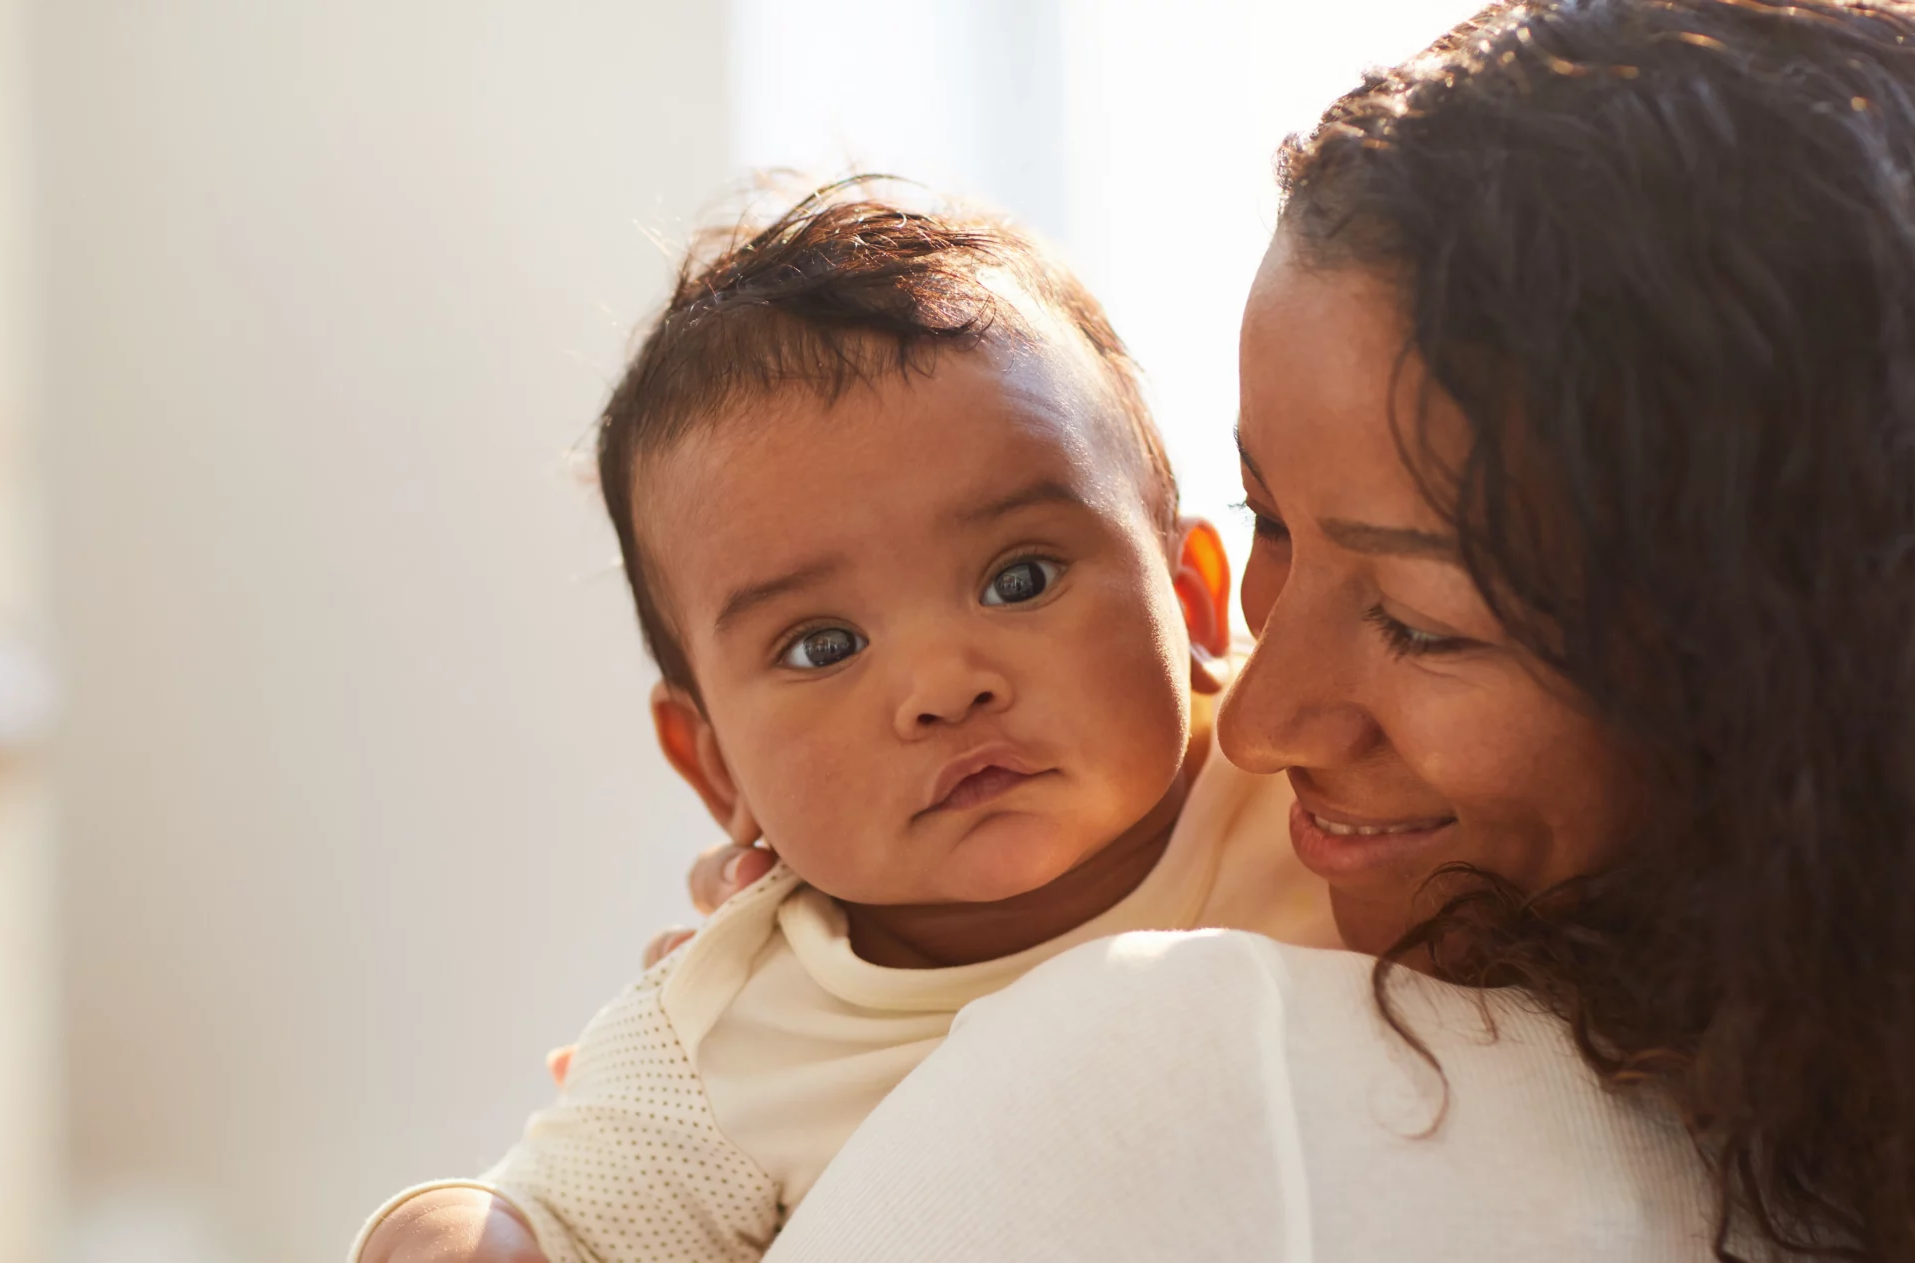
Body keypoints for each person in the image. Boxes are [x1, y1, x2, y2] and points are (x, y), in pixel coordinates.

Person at [683, 2, 1915, 1259]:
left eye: (1421, 625)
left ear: (1801, 679)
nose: (1250, 717)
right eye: (1270, 524)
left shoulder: (1189, 1061)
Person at [353, 187, 1337, 1263]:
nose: (941, 686)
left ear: (1191, 601)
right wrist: (453, 1235)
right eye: (822, 646)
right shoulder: (725, 1029)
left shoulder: (1319, 787)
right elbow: (561, 1220)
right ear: (714, 765)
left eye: (1018, 578)